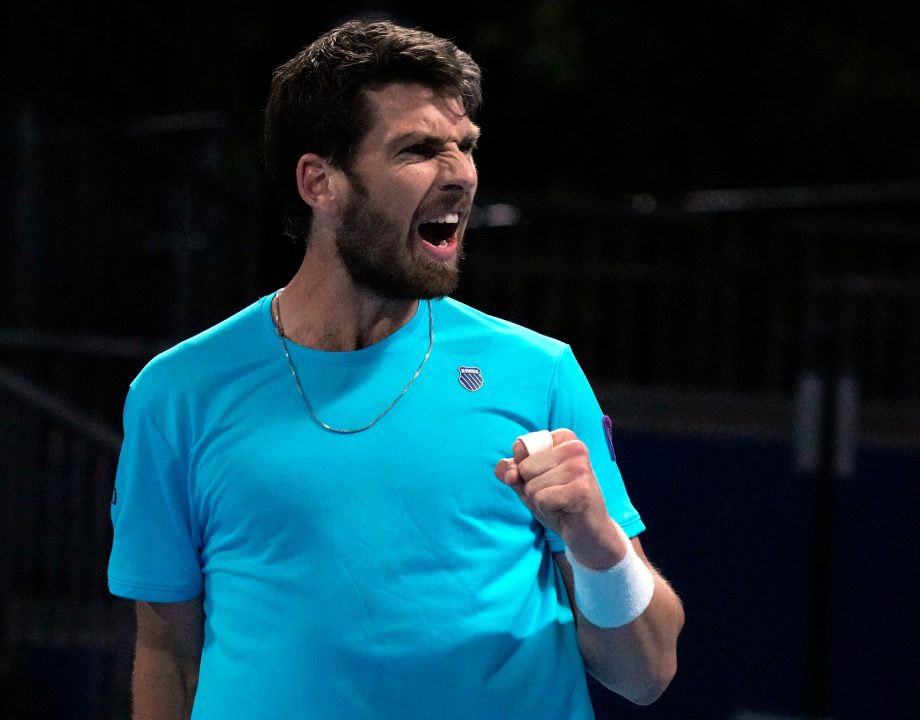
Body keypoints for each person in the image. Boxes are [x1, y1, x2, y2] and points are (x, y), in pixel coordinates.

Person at [107, 19, 684, 719]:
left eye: (465, 147)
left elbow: (646, 671)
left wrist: (597, 545)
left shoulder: (539, 373)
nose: (460, 175)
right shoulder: (178, 393)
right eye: (418, 149)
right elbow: (167, 650)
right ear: (320, 181)